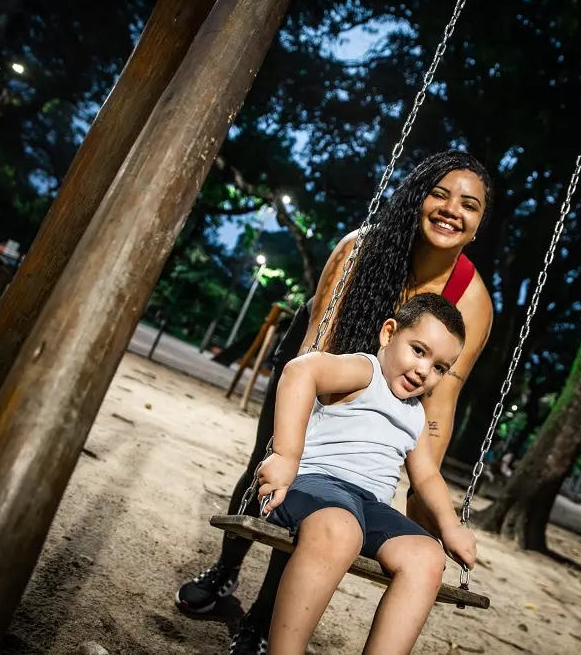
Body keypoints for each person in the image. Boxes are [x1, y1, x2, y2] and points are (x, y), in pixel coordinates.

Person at [175, 150, 494, 654]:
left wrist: (427, 505)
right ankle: (225, 571)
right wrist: (298, 444)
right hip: (325, 357)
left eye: (469, 205)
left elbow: (441, 403)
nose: (452, 209)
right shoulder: (362, 249)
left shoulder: (471, 299)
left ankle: (260, 623)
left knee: (334, 522)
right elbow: (314, 349)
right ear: (416, 199)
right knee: (274, 464)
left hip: (389, 389)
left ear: (478, 224)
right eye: (439, 193)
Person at [258, 293, 476, 654]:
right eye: (419, 350)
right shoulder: (365, 371)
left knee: (427, 557)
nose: (424, 370)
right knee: (341, 530)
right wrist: (285, 455)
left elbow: (425, 477)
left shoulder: (415, 414)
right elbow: (301, 370)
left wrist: (451, 527)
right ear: (389, 334)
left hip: (368, 507)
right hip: (312, 484)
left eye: (439, 367)